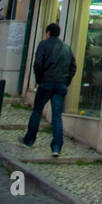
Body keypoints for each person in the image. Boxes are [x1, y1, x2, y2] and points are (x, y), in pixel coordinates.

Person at [20, 23, 76, 157]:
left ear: (48, 33)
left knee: (37, 111)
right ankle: (56, 147)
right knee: (57, 116)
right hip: (61, 85)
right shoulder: (67, 48)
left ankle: (29, 140)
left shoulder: (43, 45)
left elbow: (38, 64)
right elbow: (73, 67)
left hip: (46, 83)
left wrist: (39, 79)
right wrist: (66, 81)